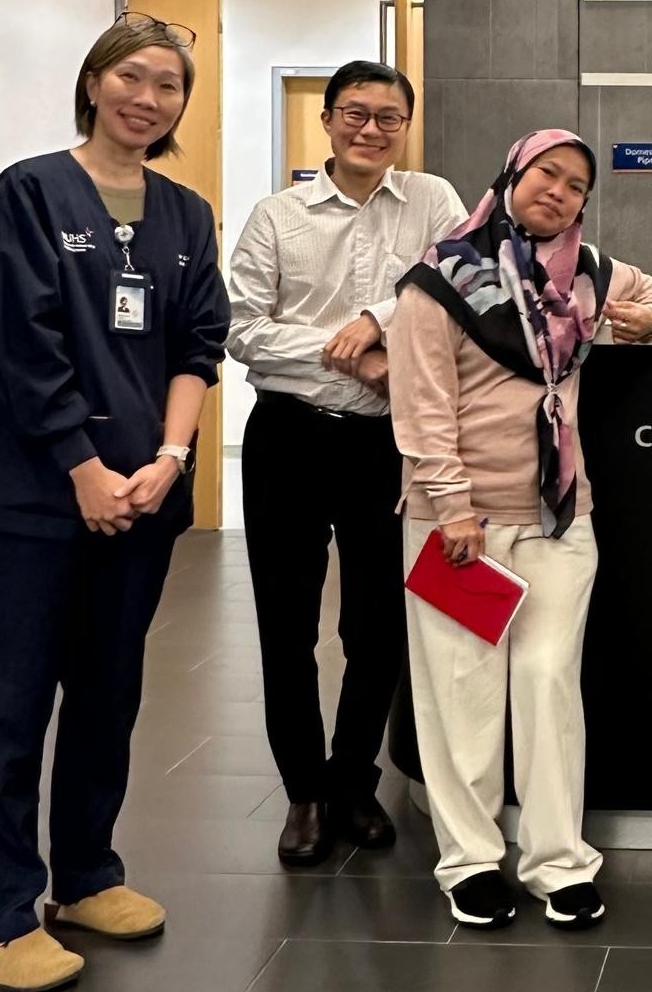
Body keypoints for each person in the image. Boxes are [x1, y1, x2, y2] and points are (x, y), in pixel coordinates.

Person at [0, 14, 227, 991]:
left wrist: (169, 458)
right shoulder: (27, 192)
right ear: (93, 83)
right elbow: (25, 345)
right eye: (131, 77)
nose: (147, 98)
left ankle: (84, 875)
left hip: (141, 501)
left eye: (168, 85)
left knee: (108, 693)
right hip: (34, 502)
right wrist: (83, 467)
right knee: (6, 703)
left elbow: (198, 345)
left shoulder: (186, 214)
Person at [389, 128, 652, 931]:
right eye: (548, 172)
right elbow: (422, 407)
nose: (560, 191)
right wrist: (452, 507)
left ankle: (558, 863)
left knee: (548, 683)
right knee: (463, 692)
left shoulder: (588, 274)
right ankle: (471, 863)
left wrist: (649, 318)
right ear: (512, 173)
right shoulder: (439, 280)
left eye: (577, 185)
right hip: (461, 525)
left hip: (558, 517)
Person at [226, 58, 467, 868]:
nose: (371, 129)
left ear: (407, 126)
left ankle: (354, 783)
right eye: (355, 114)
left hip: (384, 444)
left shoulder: (432, 200)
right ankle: (303, 792)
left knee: (378, 624)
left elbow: (460, 283)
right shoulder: (277, 215)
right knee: (286, 623)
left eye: (388, 117)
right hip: (288, 437)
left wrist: (376, 319)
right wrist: (351, 355)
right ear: (326, 120)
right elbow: (244, 330)